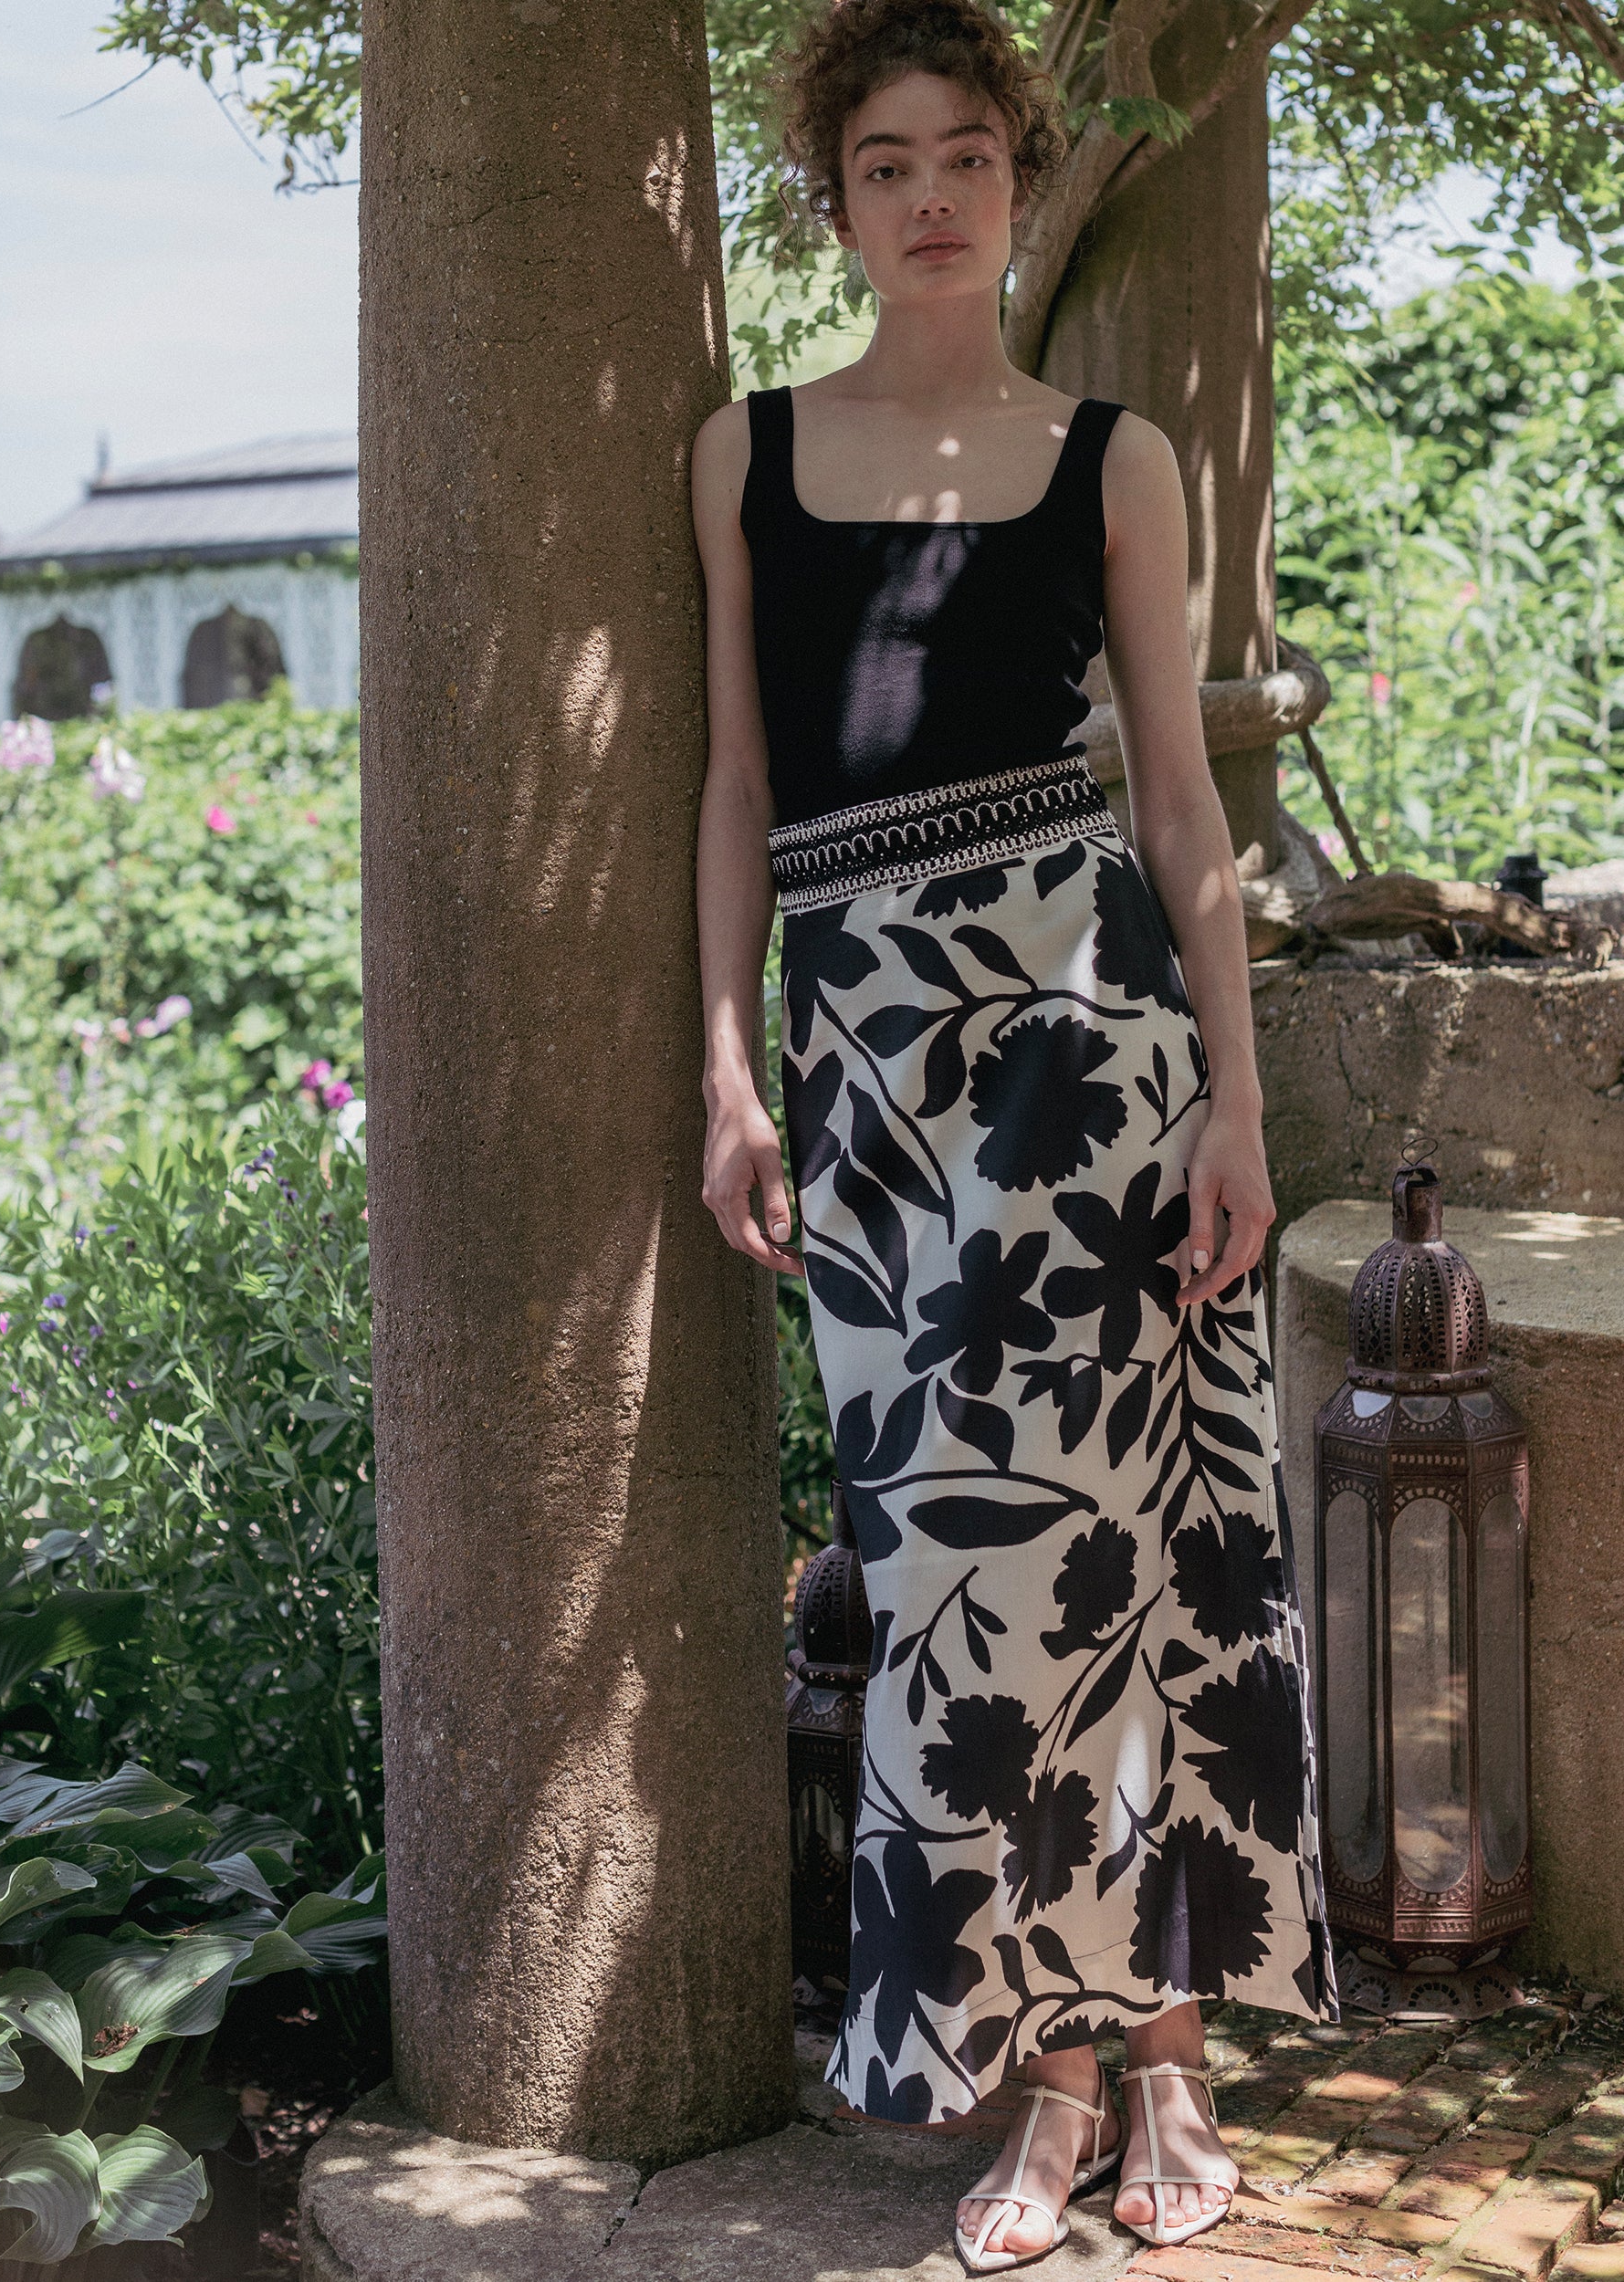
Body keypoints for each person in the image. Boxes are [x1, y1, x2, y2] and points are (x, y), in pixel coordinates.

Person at [691, 0, 1336, 2269]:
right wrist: (725, 1063)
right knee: (950, 1578)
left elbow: (1178, 802)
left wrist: (1237, 1095)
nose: (931, 194)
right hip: (871, 1066)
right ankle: (1055, 2062)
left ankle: (1142, 2062)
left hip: (1093, 1050)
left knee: (1121, 1540)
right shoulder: (744, 452)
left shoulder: (1113, 462)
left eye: (965, 153)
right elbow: (739, 787)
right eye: (885, 162)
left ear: (1019, 176)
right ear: (834, 200)